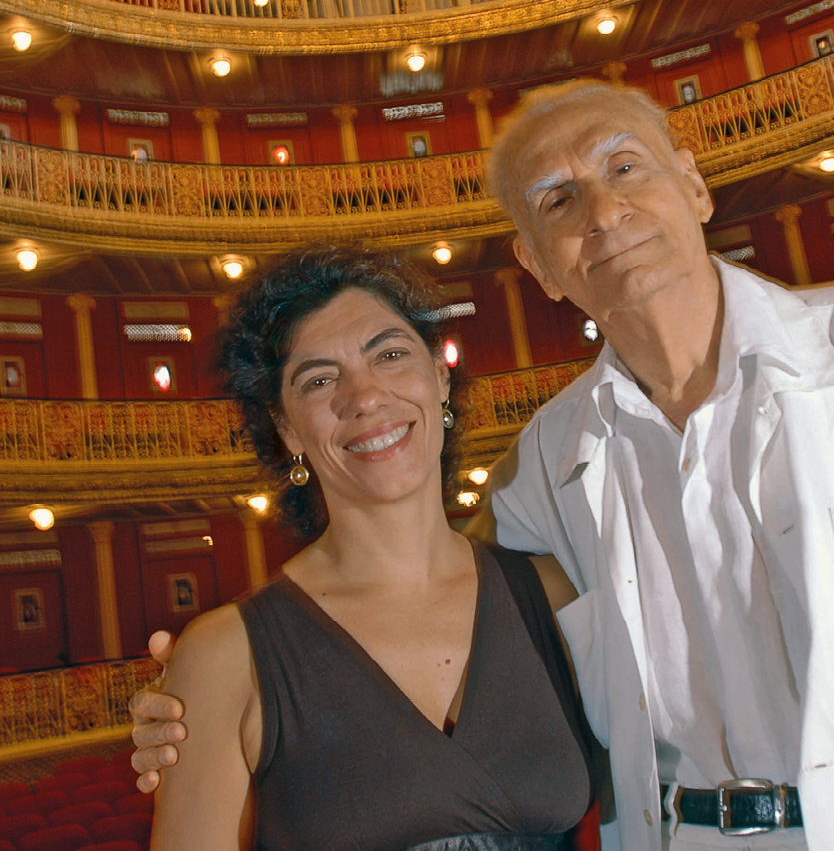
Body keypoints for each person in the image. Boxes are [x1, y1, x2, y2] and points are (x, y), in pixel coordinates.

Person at [133, 82, 834, 851]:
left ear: (693, 186)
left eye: (625, 167)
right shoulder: (550, 457)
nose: (604, 212)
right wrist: (200, 698)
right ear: (538, 265)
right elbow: (417, 579)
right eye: (557, 201)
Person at [146, 249, 595, 851]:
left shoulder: (556, 594)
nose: (365, 397)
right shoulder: (223, 654)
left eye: (389, 354)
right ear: (285, 428)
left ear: (440, 375)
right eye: (320, 379)